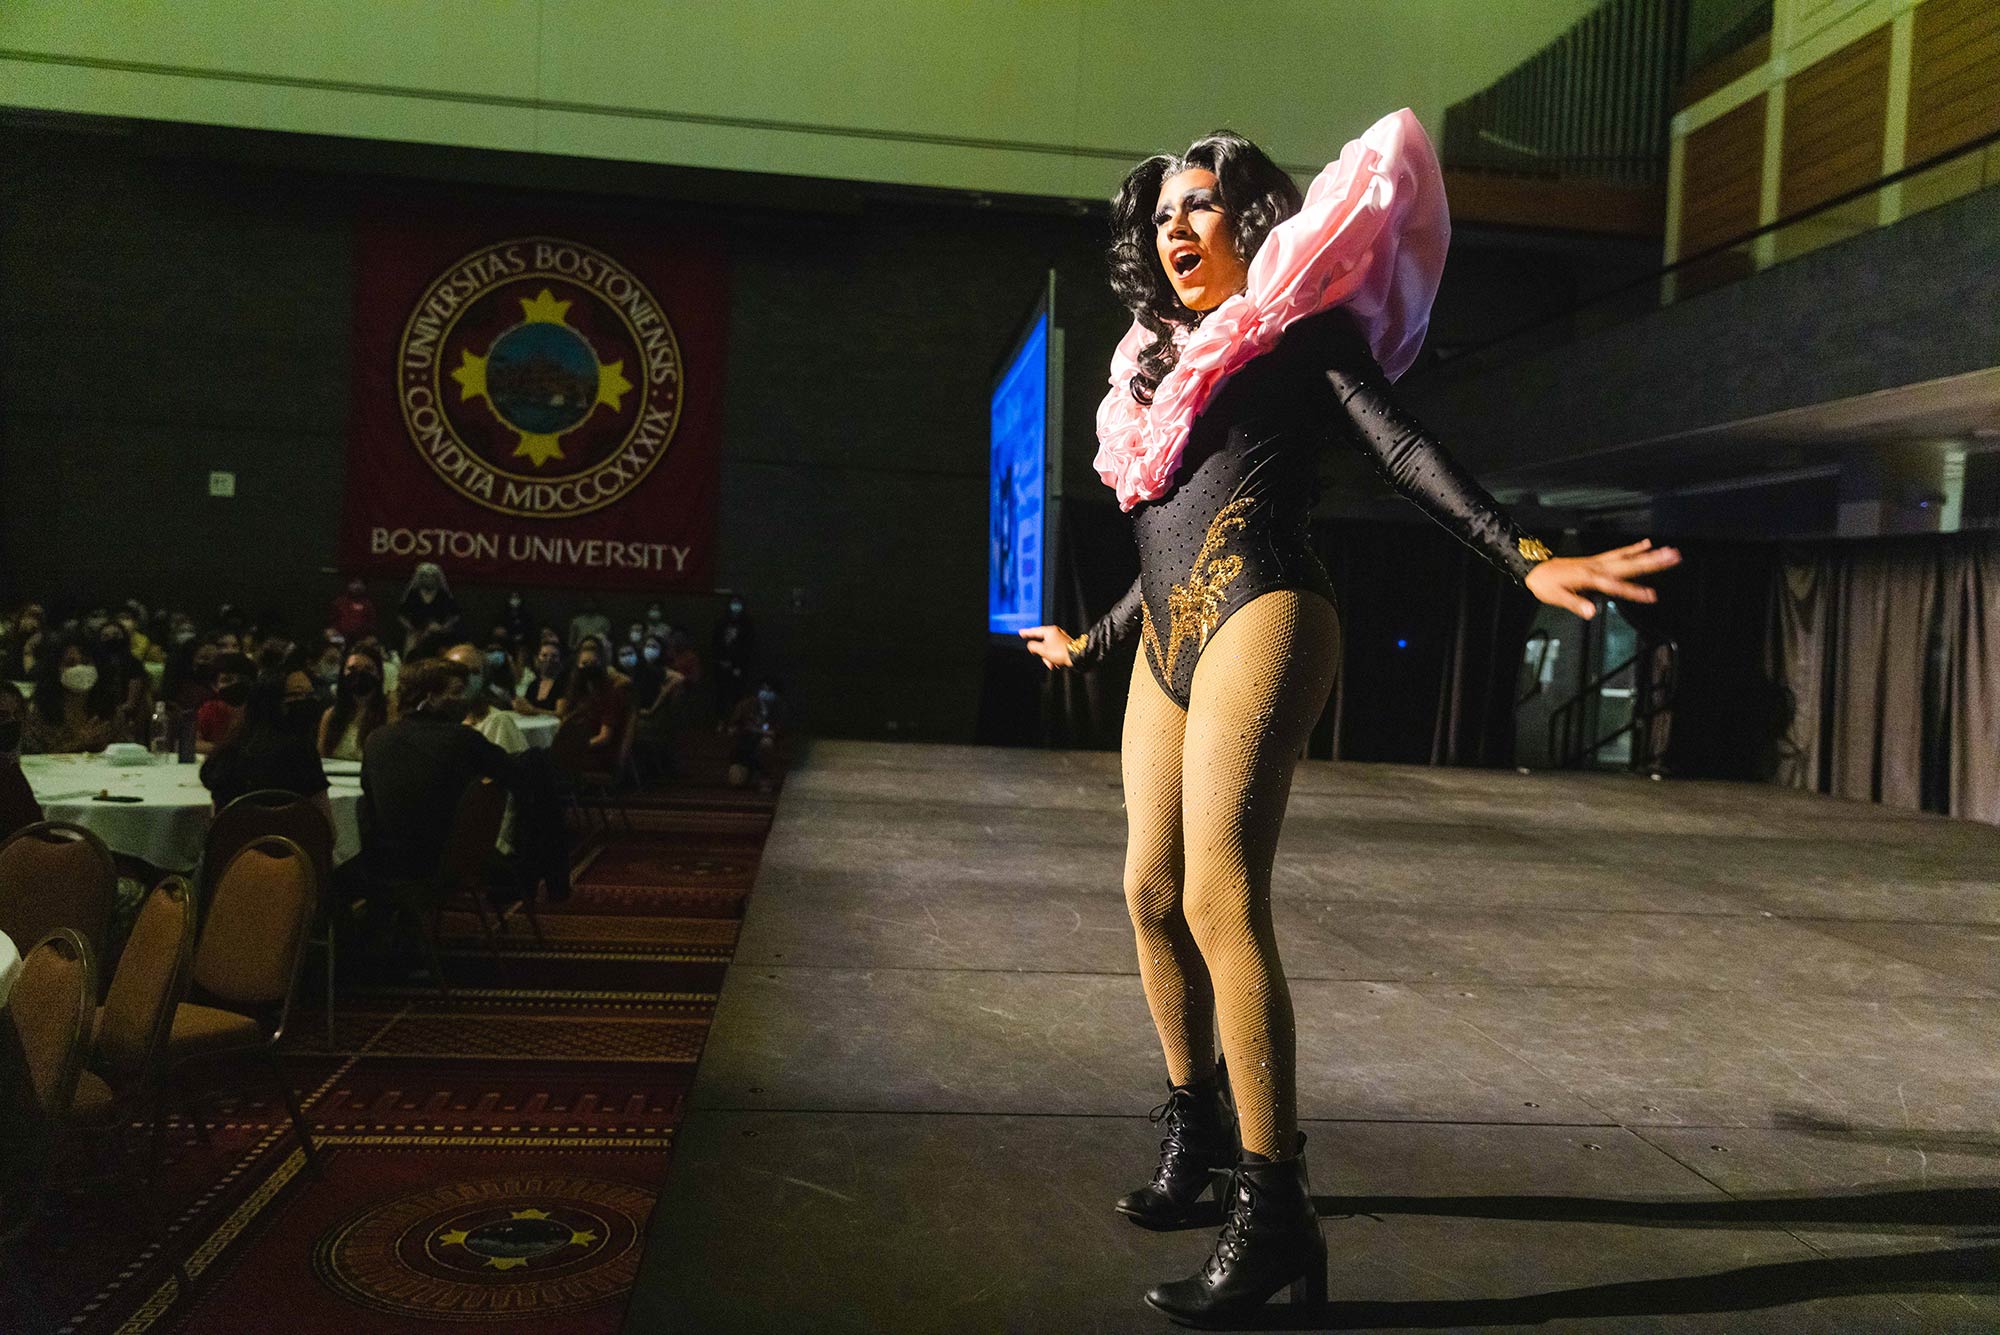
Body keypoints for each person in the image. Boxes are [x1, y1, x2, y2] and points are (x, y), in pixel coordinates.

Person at [1016, 111, 1682, 1324]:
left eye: (1201, 204)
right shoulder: (1150, 372)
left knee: (1220, 893)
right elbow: (1155, 553)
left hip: (1267, 607)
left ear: (1248, 218)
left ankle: (1275, 1213)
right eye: (1162, 210)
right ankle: (1199, 1136)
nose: (1177, 225)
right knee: (1148, 894)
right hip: (1167, 636)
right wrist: (1092, 640)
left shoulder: (1295, 329)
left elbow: (1404, 447)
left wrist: (1523, 556)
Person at [357, 656, 513, 888]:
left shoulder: (376, 739)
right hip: (448, 863)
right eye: (457, 692)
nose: (465, 700)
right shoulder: (462, 739)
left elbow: (368, 807)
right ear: (430, 698)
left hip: (385, 865)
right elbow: (510, 772)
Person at [200, 671, 332, 823]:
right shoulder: (302, 753)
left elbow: (216, 822)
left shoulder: (228, 750)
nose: (306, 702)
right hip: (287, 844)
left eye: (309, 695)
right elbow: (326, 826)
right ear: (271, 702)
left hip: (234, 844)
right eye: (296, 695)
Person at [22, 633, 127, 754]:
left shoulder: (110, 711)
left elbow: (126, 753)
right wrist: (78, 743)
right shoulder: (40, 711)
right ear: (55, 670)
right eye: (70, 664)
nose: (80, 668)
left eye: (86, 663)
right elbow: (32, 758)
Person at [560, 635, 627, 757]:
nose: (589, 668)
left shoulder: (611, 692)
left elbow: (604, 737)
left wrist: (576, 748)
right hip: (575, 749)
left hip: (596, 753)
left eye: (593, 663)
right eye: (584, 664)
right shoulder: (577, 692)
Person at [318, 645, 389, 761]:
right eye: (352, 669)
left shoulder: (389, 714)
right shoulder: (330, 716)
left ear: (379, 674)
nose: (360, 674)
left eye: (368, 669)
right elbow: (322, 759)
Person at [724, 676, 785, 793]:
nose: (765, 693)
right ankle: (747, 771)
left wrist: (757, 731)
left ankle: (765, 775)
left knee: (766, 743)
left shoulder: (779, 708)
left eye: (769, 691)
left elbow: (777, 731)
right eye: (763, 689)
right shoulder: (745, 705)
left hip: (763, 745)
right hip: (743, 746)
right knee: (736, 781)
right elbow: (733, 727)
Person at [195, 652, 257, 754]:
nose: (235, 684)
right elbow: (193, 743)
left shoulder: (260, 709)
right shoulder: (210, 709)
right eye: (227, 680)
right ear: (214, 686)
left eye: (242, 680)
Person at [396, 562, 460, 654]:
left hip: (438, 637)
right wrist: (411, 629)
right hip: (416, 637)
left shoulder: (443, 595)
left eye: (432, 577)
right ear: (420, 578)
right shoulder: (413, 594)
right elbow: (401, 615)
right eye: (425, 576)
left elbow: (455, 615)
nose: (429, 579)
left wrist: (443, 628)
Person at [710, 594, 754, 721]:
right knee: (721, 695)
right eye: (733, 602)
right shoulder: (722, 622)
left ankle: (736, 722)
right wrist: (720, 661)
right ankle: (720, 721)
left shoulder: (747, 624)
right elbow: (716, 643)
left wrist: (737, 665)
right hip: (721, 665)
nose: (736, 606)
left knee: (738, 694)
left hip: (740, 666)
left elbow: (748, 646)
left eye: (738, 603)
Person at [516, 640, 566, 716]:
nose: (549, 659)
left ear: (560, 660)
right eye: (544, 655)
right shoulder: (533, 685)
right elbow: (526, 709)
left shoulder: (564, 684)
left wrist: (534, 710)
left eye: (554, 656)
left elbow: (560, 713)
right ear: (537, 659)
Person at [331, 577, 379, 642]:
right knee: (331, 638)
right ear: (348, 585)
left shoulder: (368, 604)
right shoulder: (339, 602)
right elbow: (332, 619)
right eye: (354, 583)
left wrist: (370, 636)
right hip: (341, 637)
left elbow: (372, 622)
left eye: (360, 584)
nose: (357, 586)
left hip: (361, 639)